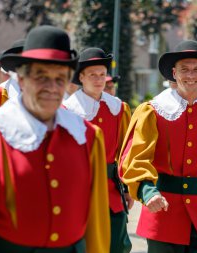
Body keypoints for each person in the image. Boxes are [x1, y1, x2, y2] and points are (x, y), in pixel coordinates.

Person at [0, 25, 110, 253]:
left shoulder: (88, 136)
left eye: (60, 78)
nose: (51, 87)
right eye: (41, 76)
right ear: (22, 80)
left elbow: (97, 222)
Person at [119, 40, 197, 253]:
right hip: (162, 213)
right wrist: (149, 192)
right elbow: (135, 158)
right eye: (184, 70)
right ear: (174, 73)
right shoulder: (152, 111)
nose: (191, 75)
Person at [63, 47, 133, 253]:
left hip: (112, 189)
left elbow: (125, 151)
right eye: (92, 74)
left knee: (118, 245)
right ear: (81, 77)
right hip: (80, 190)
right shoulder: (68, 110)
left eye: (102, 74)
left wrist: (127, 188)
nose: (98, 79)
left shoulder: (118, 108)